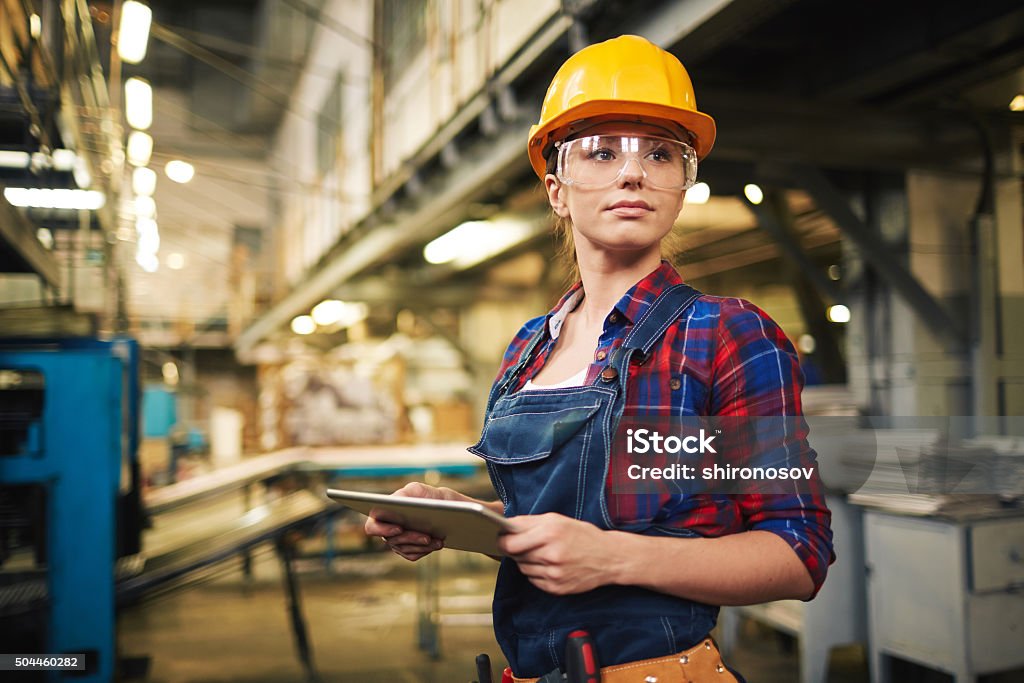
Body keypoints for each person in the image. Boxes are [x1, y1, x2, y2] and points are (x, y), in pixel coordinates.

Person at [365, 34, 834, 682]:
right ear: (557, 189)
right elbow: (566, 523)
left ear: (682, 183)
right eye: (603, 151)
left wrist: (615, 559)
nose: (633, 171)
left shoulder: (725, 334)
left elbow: (798, 552)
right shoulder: (529, 347)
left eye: (661, 153)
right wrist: (460, 520)